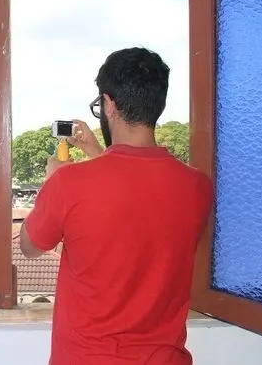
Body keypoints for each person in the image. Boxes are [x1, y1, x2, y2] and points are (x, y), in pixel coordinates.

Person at [20, 47, 213, 365]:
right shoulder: (198, 186)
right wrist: (99, 154)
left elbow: (29, 246)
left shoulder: (69, 183)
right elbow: (138, 195)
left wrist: (51, 183)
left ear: (109, 104)